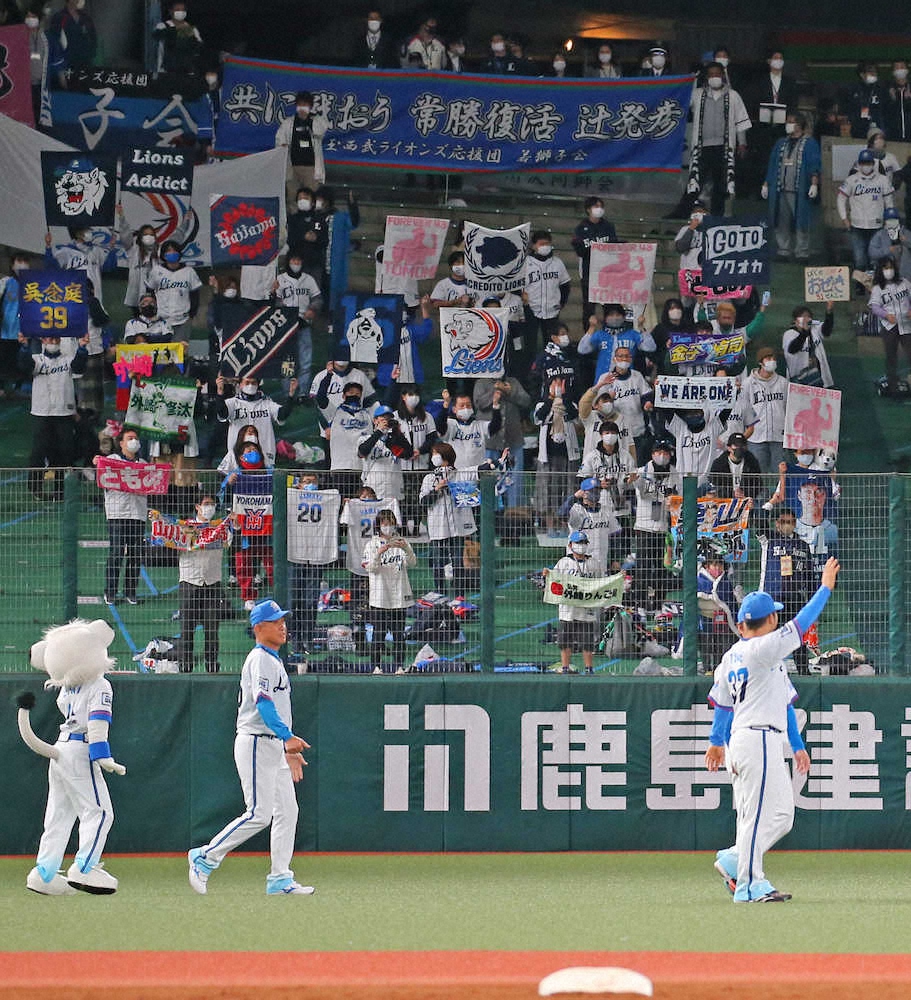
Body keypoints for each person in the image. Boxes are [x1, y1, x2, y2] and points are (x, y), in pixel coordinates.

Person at [705, 557, 841, 901]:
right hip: (757, 738)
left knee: (781, 815)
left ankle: (735, 859)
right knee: (754, 817)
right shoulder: (764, 649)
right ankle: (749, 886)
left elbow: (726, 704)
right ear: (770, 619)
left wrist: (717, 742)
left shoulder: (734, 656)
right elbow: (803, 622)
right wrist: (825, 587)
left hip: (749, 738)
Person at [188, 599, 314, 897]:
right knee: (259, 813)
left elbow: (277, 708)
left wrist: (288, 748)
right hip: (256, 741)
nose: (282, 626)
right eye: (275, 622)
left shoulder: (272, 660)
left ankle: (280, 878)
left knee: (288, 810)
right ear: (258, 628)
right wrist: (287, 738)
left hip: (272, 744)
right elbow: (264, 704)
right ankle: (205, 857)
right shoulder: (260, 659)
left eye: (283, 620)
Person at [19, 333, 88, 501]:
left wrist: (82, 347)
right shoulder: (36, 359)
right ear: (42, 340)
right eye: (50, 338)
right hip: (41, 412)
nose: (53, 341)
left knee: (64, 452)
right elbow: (24, 366)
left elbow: (79, 367)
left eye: (56, 339)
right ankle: (35, 488)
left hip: (64, 413)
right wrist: (24, 346)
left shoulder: (68, 359)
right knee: (38, 452)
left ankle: (60, 490)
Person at [176, 496, 233, 674]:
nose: (210, 507)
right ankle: (185, 666)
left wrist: (236, 525)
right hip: (189, 582)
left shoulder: (221, 528)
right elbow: (169, 542)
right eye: (206, 504)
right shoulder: (184, 528)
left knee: (212, 629)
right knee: (187, 629)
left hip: (212, 583)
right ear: (197, 506)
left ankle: (212, 665)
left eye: (212, 504)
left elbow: (230, 543)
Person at [685, 62, 751, 215]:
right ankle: (691, 214)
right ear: (706, 77)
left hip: (723, 147)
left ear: (722, 76)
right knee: (696, 181)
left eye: (717, 74)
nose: (714, 77)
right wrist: (692, 81)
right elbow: (684, 103)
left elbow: (740, 121)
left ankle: (717, 216)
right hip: (702, 146)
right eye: (711, 75)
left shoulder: (733, 96)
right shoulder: (697, 94)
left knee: (720, 184)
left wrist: (742, 143)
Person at [287, 473, 341, 657]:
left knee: (310, 602)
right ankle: (295, 640)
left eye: (314, 482)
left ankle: (308, 640)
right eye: (307, 482)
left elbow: (336, 501)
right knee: (294, 601)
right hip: (295, 555)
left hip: (316, 555)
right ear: (299, 485)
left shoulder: (326, 498)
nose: (311, 485)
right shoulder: (290, 497)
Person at [757, 508, 815, 673]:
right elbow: (758, 522)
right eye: (783, 522)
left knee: (797, 638)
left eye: (790, 522)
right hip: (771, 598)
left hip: (795, 598)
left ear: (795, 524)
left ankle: (803, 671)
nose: (786, 525)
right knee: (769, 638)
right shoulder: (768, 539)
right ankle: (767, 672)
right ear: (777, 523)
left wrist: (811, 604)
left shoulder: (803, 546)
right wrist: (770, 504)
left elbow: (810, 577)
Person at [95, 428, 147, 606]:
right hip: (117, 513)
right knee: (117, 552)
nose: (134, 441)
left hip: (138, 514)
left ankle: (130, 591)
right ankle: (110, 591)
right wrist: (97, 462)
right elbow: (101, 473)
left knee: (135, 554)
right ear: (121, 443)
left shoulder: (144, 464)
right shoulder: (112, 460)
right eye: (130, 438)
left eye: (136, 438)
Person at [419, 441, 478, 596]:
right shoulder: (429, 478)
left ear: (444, 456)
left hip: (457, 527)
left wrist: (498, 461)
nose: (433, 457)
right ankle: (440, 594)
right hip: (437, 527)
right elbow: (423, 502)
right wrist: (437, 489)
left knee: (458, 562)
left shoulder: (460, 474)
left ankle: (459, 595)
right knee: (438, 561)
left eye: (435, 454)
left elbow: (481, 469)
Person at [362, 509, 416, 673]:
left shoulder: (402, 542)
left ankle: (399, 666)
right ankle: (376, 667)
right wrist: (379, 553)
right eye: (385, 523)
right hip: (380, 596)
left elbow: (412, 563)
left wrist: (407, 549)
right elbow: (370, 568)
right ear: (378, 525)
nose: (388, 526)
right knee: (378, 634)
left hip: (399, 595)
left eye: (391, 523)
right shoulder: (371, 545)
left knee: (399, 634)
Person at [762, 113, 821, 262]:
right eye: (787, 121)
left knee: (802, 221)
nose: (788, 124)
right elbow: (772, 163)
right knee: (781, 220)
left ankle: (802, 251)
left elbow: (815, 165)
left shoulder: (810, 143)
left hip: (799, 190)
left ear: (799, 125)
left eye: (791, 122)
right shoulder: (781, 143)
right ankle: (783, 250)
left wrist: (814, 184)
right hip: (780, 189)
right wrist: (766, 183)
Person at [215, 372, 297, 467]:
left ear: (258, 384)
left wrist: (291, 395)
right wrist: (220, 392)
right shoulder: (233, 403)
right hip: (238, 456)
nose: (250, 385)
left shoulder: (266, 403)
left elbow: (282, 415)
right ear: (240, 384)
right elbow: (222, 414)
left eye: (253, 383)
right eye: (247, 382)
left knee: (263, 476)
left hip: (265, 453)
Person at [837, 149, 894, 280]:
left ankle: (876, 284)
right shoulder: (851, 180)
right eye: (863, 163)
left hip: (877, 226)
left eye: (868, 163)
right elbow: (840, 198)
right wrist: (844, 218)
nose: (866, 166)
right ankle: (860, 285)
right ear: (859, 164)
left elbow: (889, 203)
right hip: (857, 226)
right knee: (859, 259)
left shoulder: (883, 180)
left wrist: (889, 222)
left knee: (876, 258)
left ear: (873, 163)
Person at [548, 530, 599, 674]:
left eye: (583, 543)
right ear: (570, 545)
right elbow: (554, 579)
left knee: (587, 641)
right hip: (567, 609)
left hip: (586, 609)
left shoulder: (593, 563)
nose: (581, 546)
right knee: (565, 640)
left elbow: (601, 582)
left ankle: (589, 668)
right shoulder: (564, 562)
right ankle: (565, 667)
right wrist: (547, 574)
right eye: (578, 543)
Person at [274, 254, 321, 393]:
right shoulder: (280, 279)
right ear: (288, 262)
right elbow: (276, 301)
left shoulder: (308, 279)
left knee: (305, 361)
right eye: (293, 260)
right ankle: (287, 392)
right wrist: (285, 311)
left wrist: (312, 309)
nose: (296, 263)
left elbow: (318, 298)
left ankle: (302, 392)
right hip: (286, 325)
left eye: (298, 260)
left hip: (304, 323)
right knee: (287, 361)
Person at [275, 92, 327, 214]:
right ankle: (293, 218)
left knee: (311, 195)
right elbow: (279, 139)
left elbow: (320, 132)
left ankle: (312, 218)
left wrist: (308, 120)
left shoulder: (317, 120)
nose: (302, 107)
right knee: (293, 196)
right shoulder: (289, 122)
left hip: (311, 167)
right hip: (292, 166)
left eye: (305, 105)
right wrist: (282, 145)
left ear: (310, 106)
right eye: (300, 104)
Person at [572, 197, 618, 331]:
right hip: (589, 273)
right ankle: (588, 335)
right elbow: (579, 250)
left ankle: (609, 333)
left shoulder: (608, 226)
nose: (599, 209)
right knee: (589, 308)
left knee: (610, 306)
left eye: (601, 206)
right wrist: (595, 249)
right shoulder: (581, 228)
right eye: (596, 206)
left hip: (608, 273)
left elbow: (615, 247)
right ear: (588, 209)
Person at [867, 255, 911, 396]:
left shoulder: (904, 282)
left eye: (891, 267)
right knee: (891, 356)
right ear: (881, 270)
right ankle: (893, 386)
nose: (889, 270)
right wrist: (886, 315)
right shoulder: (878, 288)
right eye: (886, 268)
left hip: (906, 324)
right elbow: (875, 307)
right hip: (889, 326)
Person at [741, 347, 788, 474]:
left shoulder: (783, 382)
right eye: (768, 358)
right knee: (757, 474)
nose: (772, 361)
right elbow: (743, 410)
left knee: (780, 474)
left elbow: (787, 407)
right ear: (760, 362)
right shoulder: (748, 383)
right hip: (756, 436)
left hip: (778, 435)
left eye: (773, 358)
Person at [524, 230, 571, 355]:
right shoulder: (525, 263)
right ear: (533, 245)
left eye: (547, 243)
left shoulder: (557, 262)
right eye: (541, 244)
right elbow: (518, 287)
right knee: (530, 343)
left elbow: (565, 284)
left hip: (552, 309)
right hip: (531, 309)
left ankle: (551, 364)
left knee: (551, 343)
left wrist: (562, 302)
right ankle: (530, 366)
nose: (545, 246)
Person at [146, 242, 201, 341]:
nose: (172, 253)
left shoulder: (189, 271)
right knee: (162, 348)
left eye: (174, 250)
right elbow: (149, 291)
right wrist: (153, 312)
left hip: (182, 319)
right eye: (168, 251)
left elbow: (195, 294)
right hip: (161, 319)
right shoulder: (156, 271)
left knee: (180, 348)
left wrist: (192, 314)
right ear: (163, 254)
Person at [782, 302, 834, 388]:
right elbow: (792, 349)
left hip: (819, 377)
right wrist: (804, 332)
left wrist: (829, 312)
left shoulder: (814, 329)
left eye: (808, 316)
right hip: (798, 380)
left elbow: (826, 330)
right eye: (802, 317)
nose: (806, 319)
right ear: (795, 320)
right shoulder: (789, 334)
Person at [707, 432, 763, 501]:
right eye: (736, 445)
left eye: (742, 445)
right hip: (725, 499)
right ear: (729, 448)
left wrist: (745, 494)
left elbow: (758, 484)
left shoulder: (752, 462)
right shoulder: (719, 464)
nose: (739, 448)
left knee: (762, 497)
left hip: (747, 498)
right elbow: (715, 485)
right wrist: (732, 493)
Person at [153, 2, 203, 76]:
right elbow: (156, 35)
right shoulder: (162, 26)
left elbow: (199, 46)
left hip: (188, 71)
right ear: (170, 11)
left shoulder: (192, 29)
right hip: (167, 71)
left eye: (183, 10)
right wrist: (181, 31)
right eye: (177, 10)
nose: (181, 12)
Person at [49, 0, 96, 72]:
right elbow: (54, 40)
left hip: (85, 62)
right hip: (67, 62)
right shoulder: (59, 17)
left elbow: (93, 36)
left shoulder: (85, 18)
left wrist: (91, 53)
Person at [845, 62, 886, 139]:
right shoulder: (854, 90)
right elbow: (850, 109)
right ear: (862, 74)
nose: (873, 74)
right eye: (870, 71)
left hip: (878, 128)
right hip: (859, 129)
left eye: (875, 72)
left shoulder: (882, 89)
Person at [868, 207, 911, 280]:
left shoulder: (906, 233)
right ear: (885, 222)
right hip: (886, 273)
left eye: (894, 220)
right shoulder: (879, 235)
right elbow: (872, 253)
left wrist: (906, 241)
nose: (892, 222)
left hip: (906, 274)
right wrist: (888, 250)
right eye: (889, 220)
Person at [886, 60, 911, 142]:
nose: (900, 70)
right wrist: (893, 99)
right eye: (897, 68)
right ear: (893, 72)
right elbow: (885, 111)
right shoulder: (886, 89)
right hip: (893, 136)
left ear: (907, 70)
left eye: (902, 67)